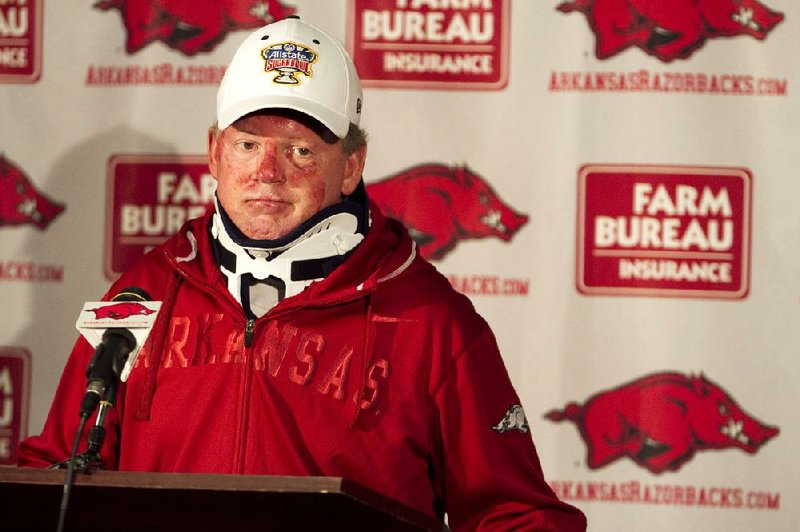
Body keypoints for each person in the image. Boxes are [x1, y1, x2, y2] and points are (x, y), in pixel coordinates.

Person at [19, 16, 586, 531]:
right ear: (215, 153)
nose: (266, 172)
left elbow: (517, 517)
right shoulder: (146, 289)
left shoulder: (428, 318)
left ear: (352, 167)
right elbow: (56, 473)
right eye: (247, 144)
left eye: (299, 152)